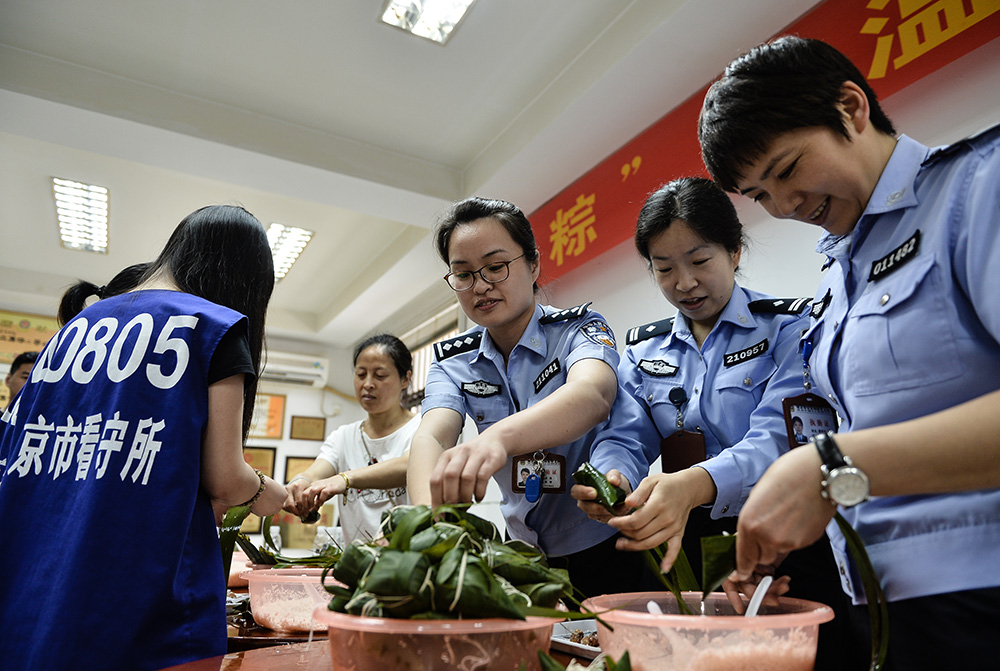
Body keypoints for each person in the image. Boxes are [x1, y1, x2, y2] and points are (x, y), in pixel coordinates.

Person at [699, 35, 1000, 667]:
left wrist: (828, 469)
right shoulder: (836, 276)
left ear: (851, 109)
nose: (785, 206)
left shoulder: (977, 189)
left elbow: (848, 455)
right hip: (876, 603)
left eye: (785, 171)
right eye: (758, 195)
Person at [571, 177, 855, 670]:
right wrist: (613, 476)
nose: (684, 283)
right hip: (689, 541)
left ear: (735, 251)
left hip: (788, 536)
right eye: (664, 269)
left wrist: (692, 484)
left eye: (700, 261)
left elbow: (779, 439)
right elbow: (623, 434)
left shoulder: (792, 327)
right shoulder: (643, 349)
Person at [0, 205, 287, 671]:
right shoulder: (213, 328)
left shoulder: (75, 329)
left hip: (32, 589)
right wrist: (263, 490)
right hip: (135, 597)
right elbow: (225, 480)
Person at [407, 196, 656, 600]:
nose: (481, 285)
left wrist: (498, 438)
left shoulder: (579, 329)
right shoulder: (453, 361)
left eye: (496, 266)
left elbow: (593, 394)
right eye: (463, 274)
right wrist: (422, 524)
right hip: (522, 553)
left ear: (534, 264)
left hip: (609, 541)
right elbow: (432, 436)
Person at [283, 333, 419, 543]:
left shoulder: (421, 427)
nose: (368, 384)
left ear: (405, 379)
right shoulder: (343, 437)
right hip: (356, 567)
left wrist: (344, 479)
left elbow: (410, 465)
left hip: (406, 565)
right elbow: (317, 473)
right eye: (361, 374)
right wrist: (302, 482)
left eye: (380, 375)